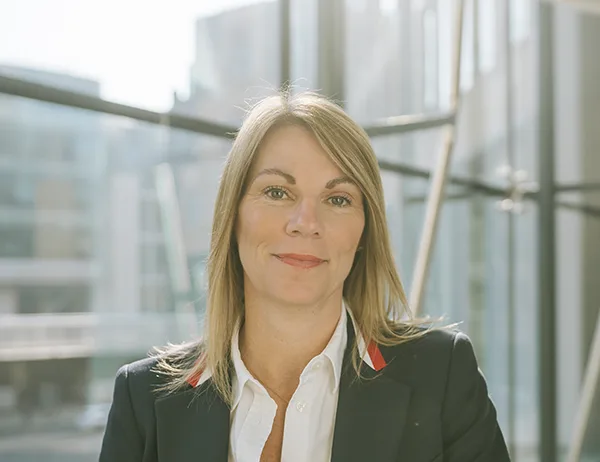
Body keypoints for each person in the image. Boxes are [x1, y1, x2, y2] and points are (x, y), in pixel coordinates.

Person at [99, 91, 510, 462]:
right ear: (233, 214)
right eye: (277, 192)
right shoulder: (144, 399)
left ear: (364, 231)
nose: (305, 223)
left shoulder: (441, 375)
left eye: (337, 199)